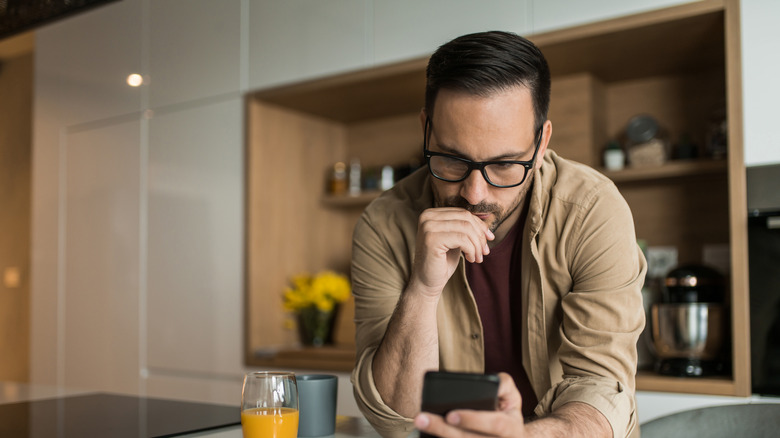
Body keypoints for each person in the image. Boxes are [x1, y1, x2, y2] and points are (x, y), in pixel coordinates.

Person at [350, 31, 646, 438]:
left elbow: (601, 390)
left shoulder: (592, 210)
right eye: (452, 159)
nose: (474, 194)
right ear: (426, 130)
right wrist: (421, 288)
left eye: (505, 165)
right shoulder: (382, 224)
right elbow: (396, 417)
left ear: (541, 143)